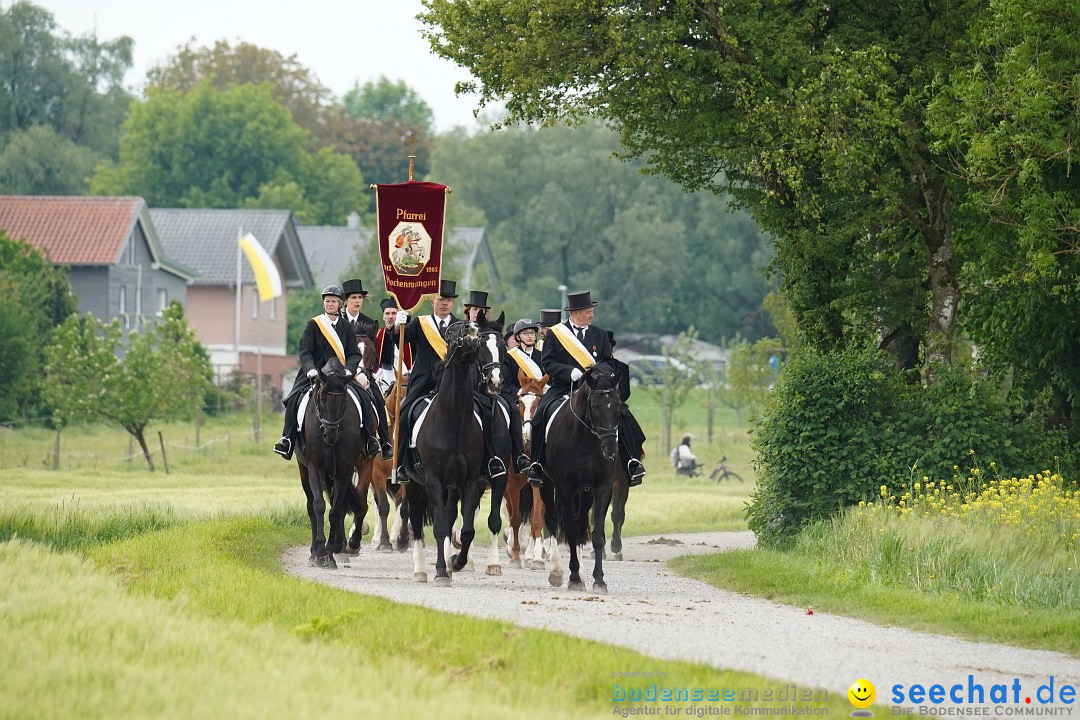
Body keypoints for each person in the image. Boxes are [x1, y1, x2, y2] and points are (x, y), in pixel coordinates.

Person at [527, 290, 646, 486]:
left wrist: (598, 372)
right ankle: (537, 464)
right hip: (564, 387)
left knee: (622, 413)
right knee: (540, 417)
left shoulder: (599, 334)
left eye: (591, 311)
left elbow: (608, 361)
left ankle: (631, 461)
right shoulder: (556, 334)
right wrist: (568, 372)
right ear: (576, 313)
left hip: (595, 388)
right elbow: (548, 363)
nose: (592, 315)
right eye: (588, 311)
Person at [274, 285, 367, 460]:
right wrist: (310, 369)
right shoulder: (314, 325)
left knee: (365, 397)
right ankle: (287, 439)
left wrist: (348, 370)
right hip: (316, 374)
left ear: (340, 304)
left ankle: (371, 440)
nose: (330, 304)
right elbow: (305, 351)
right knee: (293, 399)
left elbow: (354, 354)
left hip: (341, 376)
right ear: (323, 303)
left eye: (333, 301)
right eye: (327, 301)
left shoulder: (347, 327)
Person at [393, 280, 461, 482]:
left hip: (454, 384)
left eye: (448, 300)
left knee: (481, 411)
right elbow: (400, 340)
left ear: (453, 303)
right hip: (424, 382)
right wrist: (398, 325)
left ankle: (486, 462)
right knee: (404, 414)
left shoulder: (461, 326)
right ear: (432, 301)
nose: (444, 304)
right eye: (441, 299)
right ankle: (401, 464)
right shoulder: (421, 323)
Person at [342, 278, 393, 460]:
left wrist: (370, 372)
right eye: (353, 297)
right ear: (346, 300)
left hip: (365, 373)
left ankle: (384, 442)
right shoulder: (337, 321)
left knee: (379, 399)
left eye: (360, 298)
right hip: (341, 373)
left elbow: (375, 354)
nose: (357, 301)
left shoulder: (370, 323)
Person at [374, 297, 412, 394]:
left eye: (394, 313)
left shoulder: (408, 333)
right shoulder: (378, 335)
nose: (390, 317)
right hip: (382, 379)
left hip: (406, 379)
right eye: (387, 313)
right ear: (383, 317)